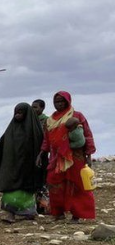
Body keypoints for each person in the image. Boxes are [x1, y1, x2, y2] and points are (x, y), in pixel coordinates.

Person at [36, 91, 96, 222]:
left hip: (75, 157)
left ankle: (77, 214)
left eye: (62, 101)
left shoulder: (77, 116)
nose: (59, 104)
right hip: (56, 157)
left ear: (68, 101)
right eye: (57, 102)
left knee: (77, 184)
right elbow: (47, 139)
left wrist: (88, 156)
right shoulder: (50, 120)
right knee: (54, 183)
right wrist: (41, 153)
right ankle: (58, 213)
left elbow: (87, 134)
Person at [0, 103, 45, 223]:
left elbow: (40, 148)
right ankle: (10, 214)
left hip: (28, 167)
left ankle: (29, 212)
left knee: (26, 191)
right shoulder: (11, 129)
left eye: (20, 112)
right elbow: (0, 148)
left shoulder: (35, 130)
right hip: (12, 166)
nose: (17, 115)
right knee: (11, 189)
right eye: (16, 112)